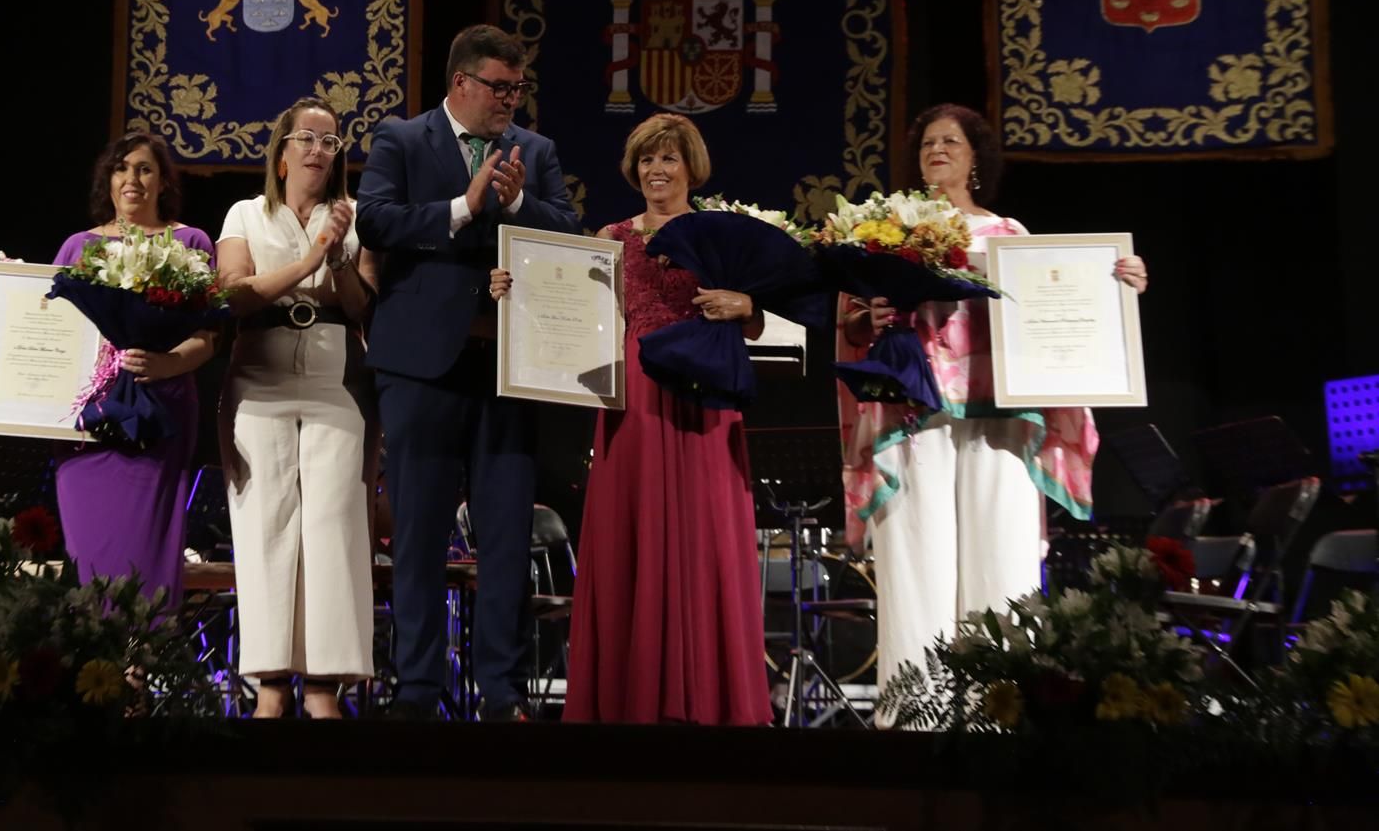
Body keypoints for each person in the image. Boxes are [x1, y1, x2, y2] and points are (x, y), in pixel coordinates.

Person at [837, 103, 1149, 720]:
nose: (938, 150)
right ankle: (914, 719)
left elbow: (1063, 303)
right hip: (912, 415)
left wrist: (1119, 282)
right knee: (915, 561)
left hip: (1000, 418)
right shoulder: (886, 230)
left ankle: (1000, 715)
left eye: (951, 141)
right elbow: (847, 320)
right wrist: (866, 318)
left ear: (976, 157)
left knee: (1001, 564)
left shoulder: (1011, 236)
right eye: (928, 142)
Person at [492, 113, 772, 724]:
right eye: (647, 160)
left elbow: (756, 321)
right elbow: (575, 313)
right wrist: (516, 289)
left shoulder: (724, 233)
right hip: (635, 397)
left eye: (668, 159)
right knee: (631, 534)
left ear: (690, 167)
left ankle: (709, 698)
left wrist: (746, 304)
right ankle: (630, 698)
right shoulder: (614, 236)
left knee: (706, 538)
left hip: (703, 395)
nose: (657, 171)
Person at [355, 25, 579, 720]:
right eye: (498, 87)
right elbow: (376, 219)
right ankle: (417, 688)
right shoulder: (401, 138)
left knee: (506, 535)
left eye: (517, 88)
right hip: (420, 365)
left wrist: (514, 204)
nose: (510, 100)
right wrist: (464, 206)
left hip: (506, 367)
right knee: (419, 532)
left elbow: (568, 234)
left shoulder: (534, 152)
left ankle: (501, 690)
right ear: (460, 83)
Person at [216, 98, 381, 719]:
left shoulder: (356, 216)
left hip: (336, 379)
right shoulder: (245, 214)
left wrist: (337, 258)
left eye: (330, 141)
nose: (317, 150)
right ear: (281, 152)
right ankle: (268, 685)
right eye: (306, 139)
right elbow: (233, 294)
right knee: (265, 525)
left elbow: (363, 305)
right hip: (259, 377)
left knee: (334, 525)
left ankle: (323, 685)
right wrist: (309, 259)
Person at [42, 133, 217, 603]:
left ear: (162, 182)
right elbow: (44, 330)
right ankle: (97, 666)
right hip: (86, 424)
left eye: (144, 169)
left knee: (149, 553)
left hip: (161, 416)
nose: (132, 179)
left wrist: (166, 363)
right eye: (122, 168)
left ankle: (143, 666)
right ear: (108, 179)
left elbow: (207, 338)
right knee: (90, 554)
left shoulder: (191, 241)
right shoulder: (77, 246)